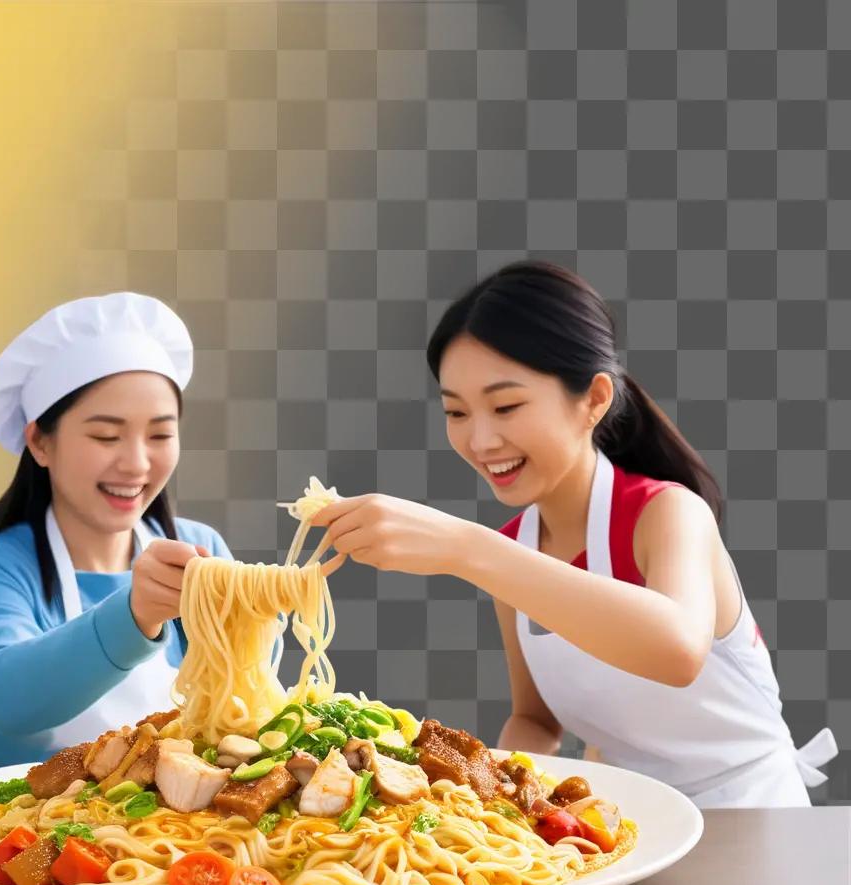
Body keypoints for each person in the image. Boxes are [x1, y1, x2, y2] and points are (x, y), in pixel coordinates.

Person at [314, 261, 837, 808]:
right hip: (632, 828)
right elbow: (534, 719)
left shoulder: (667, 513)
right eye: (457, 412)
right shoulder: (511, 550)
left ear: (593, 399)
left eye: (506, 405)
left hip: (755, 818)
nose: (481, 439)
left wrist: (464, 548)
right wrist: (494, 799)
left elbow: (678, 649)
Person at [0, 293, 229, 771]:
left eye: (160, 435)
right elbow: (8, 701)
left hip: (173, 834)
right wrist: (135, 614)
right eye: (106, 435)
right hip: (19, 829)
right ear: (39, 441)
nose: (138, 463)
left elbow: (247, 697)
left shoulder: (199, 548)